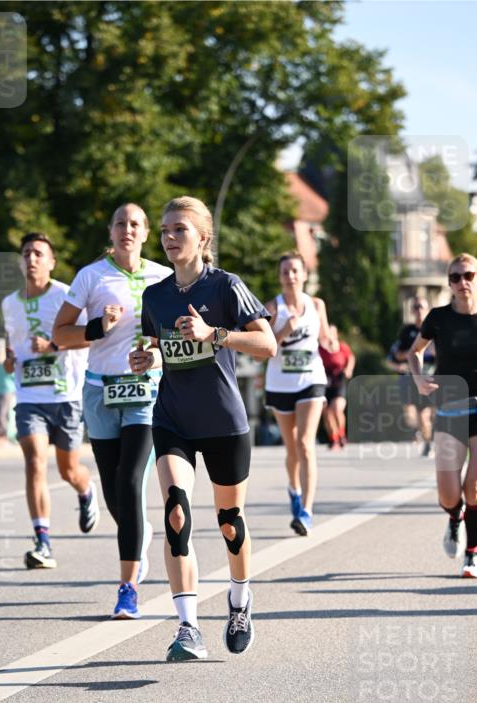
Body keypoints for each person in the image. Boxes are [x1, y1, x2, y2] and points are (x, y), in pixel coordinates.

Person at [132, 195, 276, 661]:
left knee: (229, 524)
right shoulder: (154, 295)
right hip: (172, 416)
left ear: (203, 238)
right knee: (176, 511)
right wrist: (146, 358)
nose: (170, 238)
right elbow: (160, 348)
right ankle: (188, 627)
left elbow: (267, 344)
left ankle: (239, 600)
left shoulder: (226, 287)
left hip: (223, 421)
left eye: (180, 230)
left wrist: (214, 334)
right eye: (165, 231)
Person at [53, 204, 172, 619]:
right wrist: (97, 328)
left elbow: (174, 335)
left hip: (145, 393)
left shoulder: (163, 277)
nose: (127, 229)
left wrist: (155, 351)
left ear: (145, 234)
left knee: (130, 478)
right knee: (113, 490)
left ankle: (128, 588)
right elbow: (59, 334)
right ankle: (140, 532)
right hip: (99, 392)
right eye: (120, 223)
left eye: (135, 224)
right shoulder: (91, 276)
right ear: (112, 230)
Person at [409, 253, 477, 580]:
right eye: (455, 277)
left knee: (474, 488)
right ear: (449, 283)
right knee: (448, 494)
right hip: (448, 409)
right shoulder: (438, 317)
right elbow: (415, 352)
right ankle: (454, 519)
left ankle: (472, 555)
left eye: (468, 275)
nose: (463, 282)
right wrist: (418, 379)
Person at [2, 232, 96, 570]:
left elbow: (89, 337)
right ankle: (42, 541)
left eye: (39, 253)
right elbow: (10, 347)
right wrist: (8, 361)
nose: (31, 258)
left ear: (51, 262)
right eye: (26, 253)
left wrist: (54, 347)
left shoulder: (65, 296)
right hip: (29, 396)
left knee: (69, 469)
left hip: (65, 394)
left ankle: (86, 491)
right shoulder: (9, 303)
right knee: (34, 462)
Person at [263, 252, 329, 535]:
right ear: (280, 277)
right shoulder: (272, 308)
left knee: (305, 444)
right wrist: (284, 331)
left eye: (295, 271)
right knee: (292, 449)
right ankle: (294, 489)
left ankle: (306, 511)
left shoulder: (316, 305)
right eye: (285, 272)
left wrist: (333, 342)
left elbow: (326, 339)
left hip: (311, 380)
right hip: (280, 385)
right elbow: (261, 351)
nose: (290, 276)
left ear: (304, 275)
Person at [386, 297, 435, 456]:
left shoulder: (435, 329)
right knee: (411, 415)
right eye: (416, 307)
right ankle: (422, 436)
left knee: (426, 414)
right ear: (413, 310)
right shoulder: (407, 331)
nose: (419, 310)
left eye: (422, 306)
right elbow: (398, 355)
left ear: (428, 310)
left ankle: (429, 441)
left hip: (430, 377)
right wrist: (415, 352)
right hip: (410, 377)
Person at [319, 325, 355, 450]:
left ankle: (341, 434)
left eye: (331, 333)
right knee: (326, 412)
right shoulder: (318, 348)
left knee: (337, 409)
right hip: (323, 383)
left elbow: (350, 358)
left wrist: (348, 369)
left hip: (338, 381)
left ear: (336, 334)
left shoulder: (342, 347)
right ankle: (333, 438)